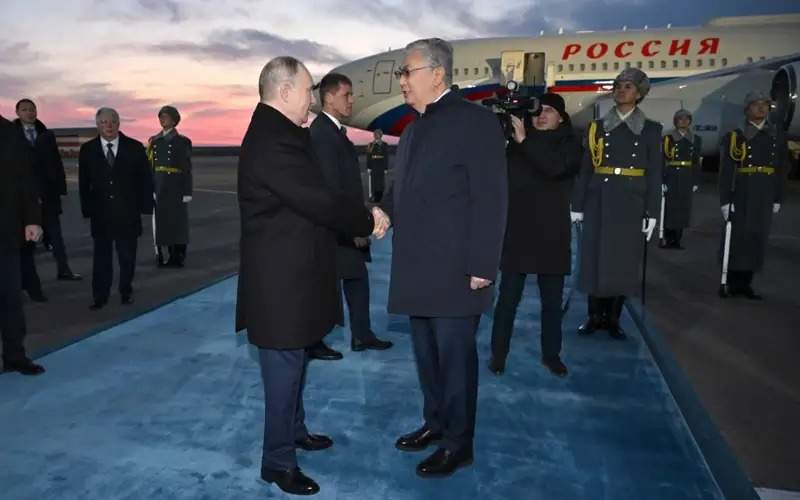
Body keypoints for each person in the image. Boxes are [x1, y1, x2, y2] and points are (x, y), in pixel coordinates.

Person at [235, 56, 385, 496]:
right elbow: (317, 200)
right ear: (284, 92)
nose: (311, 100)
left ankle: (294, 432)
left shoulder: (281, 132)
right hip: (280, 284)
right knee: (283, 371)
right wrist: (366, 220)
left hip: (293, 277)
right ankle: (277, 462)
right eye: (306, 92)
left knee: (294, 365)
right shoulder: (274, 140)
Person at [380, 38, 507, 478]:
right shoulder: (413, 129)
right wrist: (383, 212)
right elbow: (403, 189)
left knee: (455, 362)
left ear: (437, 74)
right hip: (417, 267)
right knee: (428, 357)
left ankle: (459, 443)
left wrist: (482, 265)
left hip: (456, 269)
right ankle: (435, 424)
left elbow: (491, 197)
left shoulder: (475, 122)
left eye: (406, 72)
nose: (401, 81)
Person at [489, 93, 582, 377]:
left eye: (549, 111)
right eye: (538, 111)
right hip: (518, 233)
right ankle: (498, 354)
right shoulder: (516, 143)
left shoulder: (570, 145)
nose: (541, 115)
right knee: (507, 301)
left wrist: (524, 142)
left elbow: (554, 168)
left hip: (552, 236)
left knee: (551, 304)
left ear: (562, 117)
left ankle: (551, 355)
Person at [571, 68, 662, 339]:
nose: (622, 90)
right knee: (594, 258)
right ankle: (593, 316)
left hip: (631, 200)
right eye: (618, 85)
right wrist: (577, 205)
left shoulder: (651, 129)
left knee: (623, 261)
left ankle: (613, 319)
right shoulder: (596, 128)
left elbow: (655, 173)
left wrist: (653, 212)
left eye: (629, 86)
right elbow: (586, 169)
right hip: (600, 198)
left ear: (640, 93)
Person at [308, 72, 393, 360]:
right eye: (347, 94)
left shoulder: (333, 131)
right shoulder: (321, 133)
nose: (352, 99)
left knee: (356, 279)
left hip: (344, 223)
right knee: (325, 285)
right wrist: (354, 227)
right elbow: (331, 189)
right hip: (335, 228)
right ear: (329, 97)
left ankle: (361, 335)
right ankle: (313, 340)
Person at [79, 107, 154, 310]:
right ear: (97, 125)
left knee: (127, 257)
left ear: (119, 123)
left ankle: (125, 291)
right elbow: (83, 183)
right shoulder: (87, 150)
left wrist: (146, 206)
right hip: (101, 214)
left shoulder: (135, 147)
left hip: (128, 213)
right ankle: (100, 296)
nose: (108, 126)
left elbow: (146, 179)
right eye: (103, 122)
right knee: (101, 258)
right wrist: (87, 209)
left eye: (112, 121)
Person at [718, 91, 788, 299]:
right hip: (742, 190)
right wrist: (725, 200)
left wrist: (778, 196)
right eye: (756, 104)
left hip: (765, 190)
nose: (761, 108)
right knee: (738, 236)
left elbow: (782, 168)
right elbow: (727, 170)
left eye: (765, 105)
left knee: (758, 236)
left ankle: (746, 283)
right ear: (747, 109)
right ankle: (731, 280)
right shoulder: (736, 136)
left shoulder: (776, 135)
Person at [1, 113, 45, 375]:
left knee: (9, 298)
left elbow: (27, 180)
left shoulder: (10, 132)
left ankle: (15, 356)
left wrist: (32, 220)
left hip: (5, 230)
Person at [148, 105, 193, 268]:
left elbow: (186, 168)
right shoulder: (154, 141)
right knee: (163, 222)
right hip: (160, 185)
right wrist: (150, 187)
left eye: (166, 116)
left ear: (174, 120)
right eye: (160, 116)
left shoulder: (182, 141)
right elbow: (151, 166)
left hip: (176, 186)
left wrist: (187, 191)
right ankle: (166, 254)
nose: (162, 119)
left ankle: (178, 255)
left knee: (178, 223)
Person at [660, 109, 702, 249]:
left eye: (686, 119)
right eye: (680, 119)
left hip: (686, 176)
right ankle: (668, 237)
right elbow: (662, 160)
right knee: (670, 209)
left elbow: (696, 161)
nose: (684, 121)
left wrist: (695, 180)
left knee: (683, 208)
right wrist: (662, 180)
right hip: (672, 175)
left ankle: (678, 239)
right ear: (675, 121)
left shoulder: (696, 139)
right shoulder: (668, 138)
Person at [366, 129, 389, 202]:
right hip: (373, 165)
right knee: (374, 182)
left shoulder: (384, 144)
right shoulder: (370, 145)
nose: (376, 135)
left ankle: (379, 197)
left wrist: (386, 168)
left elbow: (386, 157)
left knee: (380, 182)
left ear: (381, 135)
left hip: (381, 165)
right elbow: (368, 156)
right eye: (375, 134)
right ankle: (374, 197)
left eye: (378, 134)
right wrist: (369, 167)